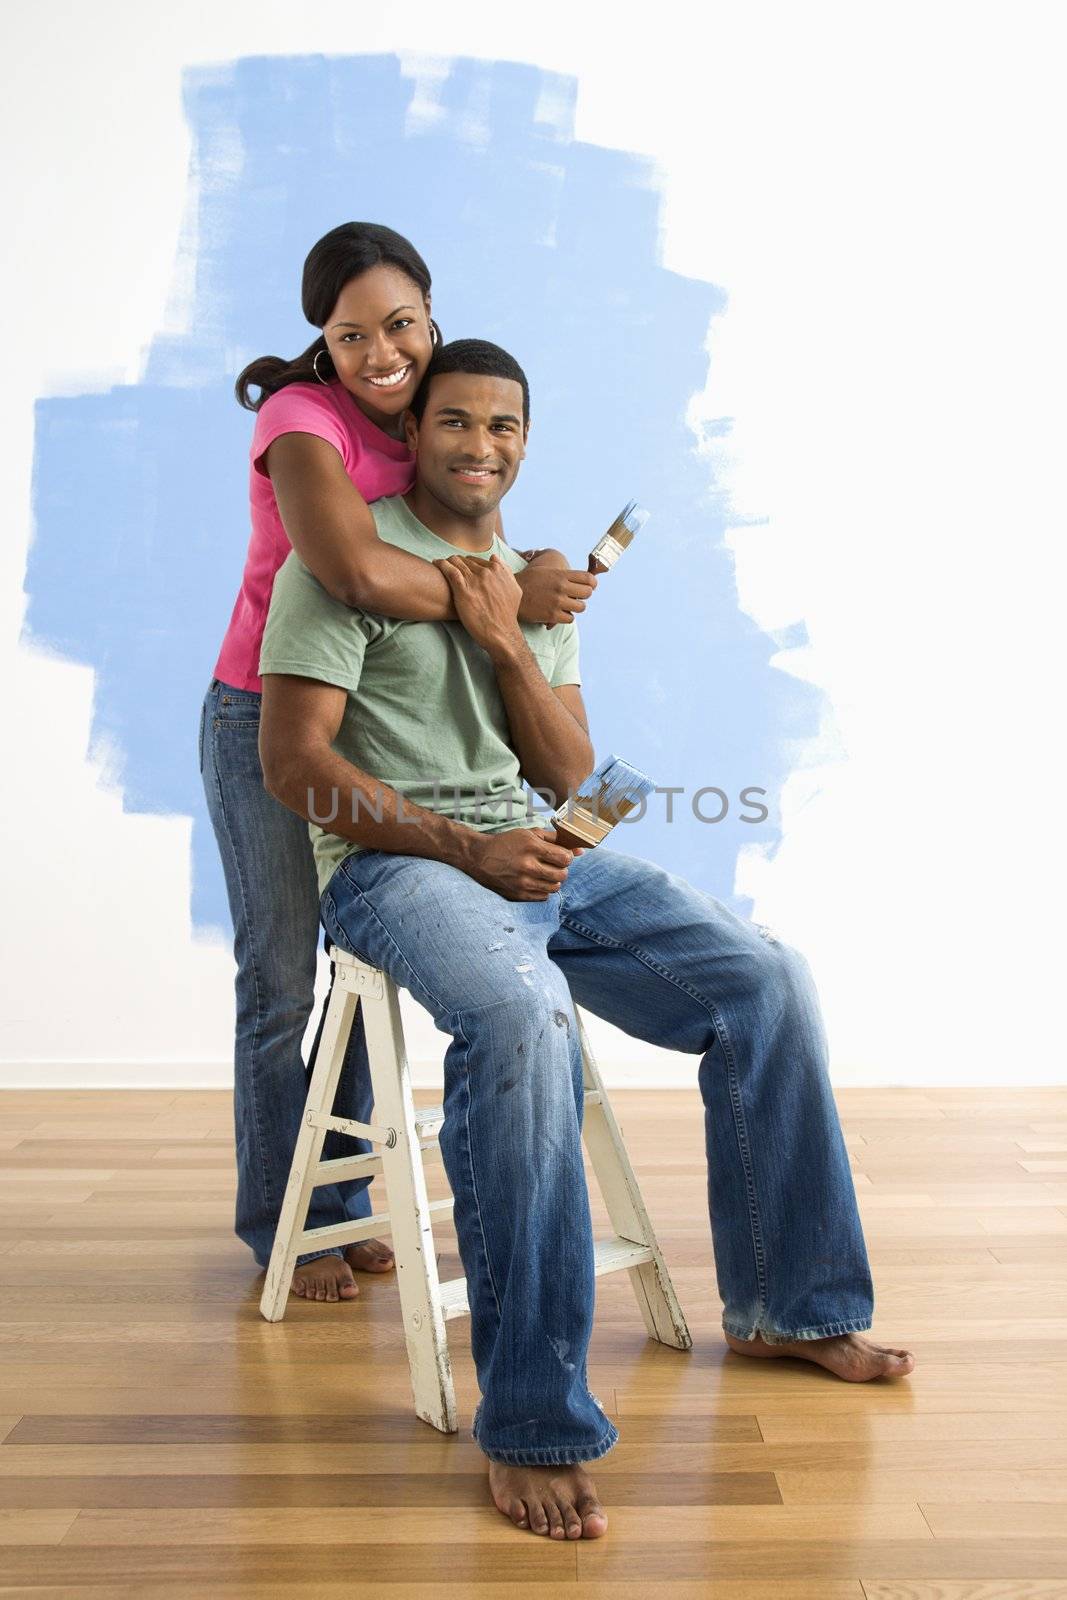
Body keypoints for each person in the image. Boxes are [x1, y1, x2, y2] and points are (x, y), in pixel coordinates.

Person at [258, 338, 917, 1540]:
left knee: (765, 977)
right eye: (453, 421)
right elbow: (295, 765)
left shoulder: (532, 581)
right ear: (416, 435)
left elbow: (569, 771)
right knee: (522, 1016)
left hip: (536, 851)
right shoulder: (342, 566)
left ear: (523, 442)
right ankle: (531, 1420)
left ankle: (791, 1303)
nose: (478, 445)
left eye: (502, 427)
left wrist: (506, 635)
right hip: (396, 869)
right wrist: (467, 852)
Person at [199, 224, 596, 1302]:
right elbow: (358, 570)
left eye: (401, 325)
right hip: (264, 720)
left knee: (363, 962)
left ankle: (344, 1197)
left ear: (429, 316)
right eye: (351, 332)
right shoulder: (301, 423)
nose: (382, 350)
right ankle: (283, 1223)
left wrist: (536, 565)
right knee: (280, 978)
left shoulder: (428, 416)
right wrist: (509, 593)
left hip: (378, 721)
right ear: (320, 342)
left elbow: (470, 523)